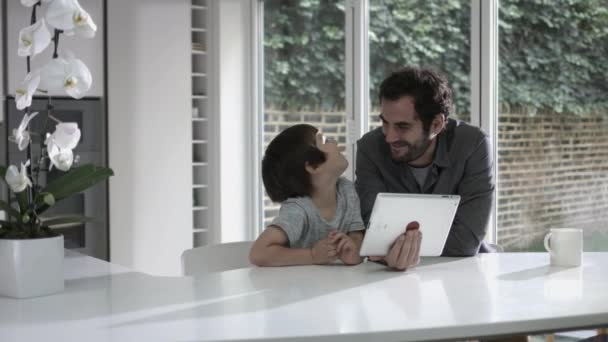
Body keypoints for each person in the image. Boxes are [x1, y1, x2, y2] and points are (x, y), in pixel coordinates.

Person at [355, 65, 495, 256]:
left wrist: (392, 246)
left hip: (461, 270)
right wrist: (385, 249)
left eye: (402, 127)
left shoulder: (473, 145)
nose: (389, 137)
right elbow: (372, 235)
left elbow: (465, 242)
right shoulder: (370, 148)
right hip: (388, 274)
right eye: (385, 123)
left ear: (437, 124)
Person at [249, 124, 366, 266]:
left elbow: (357, 234)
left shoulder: (347, 190)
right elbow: (258, 253)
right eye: (326, 141)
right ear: (313, 166)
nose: (334, 142)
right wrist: (313, 255)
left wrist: (354, 250)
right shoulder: (299, 209)